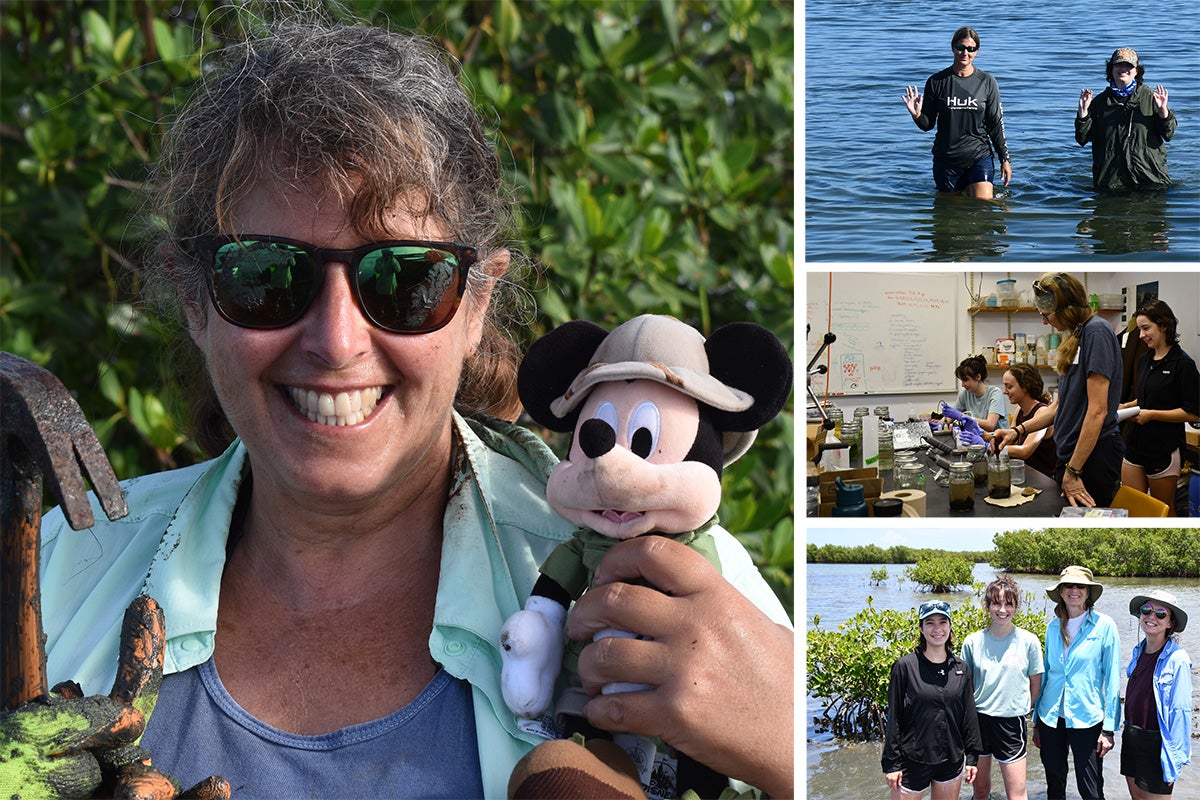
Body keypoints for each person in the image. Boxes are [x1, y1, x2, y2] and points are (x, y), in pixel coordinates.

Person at [1, 20, 794, 800]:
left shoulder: (674, 590)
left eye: (405, 280)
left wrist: (796, 747)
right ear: (194, 298)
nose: (337, 341)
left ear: (478, 302)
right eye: (266, 276)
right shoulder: (50, 572)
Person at [992, 272, 1124, 508]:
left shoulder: (1096, 332)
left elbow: (1097, 411)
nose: (1044, 322)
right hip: (1073, 456)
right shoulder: (1075, 338)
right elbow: (1060, 406)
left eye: (1047, 315)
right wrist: (1019, 430)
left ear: (1067, 310)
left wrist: (1074, 470)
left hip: (1091, 457)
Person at [1033, 566, 1122, 800]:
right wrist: (1036, 723)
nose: (1074, 590)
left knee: (1090, 788)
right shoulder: (1052, 627)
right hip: (1050, 717)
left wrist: (1109, 729)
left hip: (1087, 717)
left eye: (1080, 586)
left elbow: (1113, 679)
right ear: (1061, 592)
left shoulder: (1105, 626)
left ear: (1088, 592)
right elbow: (1047, 674)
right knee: (1054, 781)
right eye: (1068, 586)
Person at [882, 601, 983, 800]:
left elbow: (968, 716)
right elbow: (893, 717)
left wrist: (972, 758)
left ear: (950, 625)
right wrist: (891, 764)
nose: (937, 629)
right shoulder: (905, 666)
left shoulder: (960, 667)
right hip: (912, 759)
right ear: (921, 628)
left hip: (951, 759)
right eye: (930, 622)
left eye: (943, 622)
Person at [902, 26, 1012, 200]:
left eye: (970, 49)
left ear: (977, 51)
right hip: (946, 160)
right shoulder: (936, 81)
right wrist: (916, 115)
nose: (965, 53)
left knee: (982, 204)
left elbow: (995, 124)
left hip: (979, 155)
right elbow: (927, 125)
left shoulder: (987, 81)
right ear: (953, 47)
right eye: (961, 47)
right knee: (953, 211)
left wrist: (1004, 159)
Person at [961, 577, 1044, 800]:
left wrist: (1023, 708)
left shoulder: (1029, 641)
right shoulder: (972, 642)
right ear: (987, 606)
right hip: (978, 722)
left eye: (1009, 603)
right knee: (980, 791)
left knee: (1016, 795)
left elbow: (1036, 685)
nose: (1002, 610)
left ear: (1016, 607)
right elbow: (966, 686)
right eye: (996, 603)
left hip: (1011, 722)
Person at [1118, 301, 1200, 516]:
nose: (1142, 335)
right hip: (1135, 443)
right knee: (1132, 507)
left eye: (1146, 328)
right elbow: (1145, 398)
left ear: (1164, 326)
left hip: (1163, 447)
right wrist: (1126, 406)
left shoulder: (1183, 364)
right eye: (1140, 329)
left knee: (1161, 511)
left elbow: (1192, 412)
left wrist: (1152, 415)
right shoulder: (1145, 360)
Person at [1122, 590, 1192, 799]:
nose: (1151, 617)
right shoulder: (1138, 651)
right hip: (1132, 737)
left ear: (1171, 623)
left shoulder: (1177, 659)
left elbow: (1180, 711)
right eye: (1147, 610)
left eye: (1161, 613)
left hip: (1157, 743)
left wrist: (1174, 760)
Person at [1076, 48, 1177, 192]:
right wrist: (1083, 114)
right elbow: (1082, 139)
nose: (1123, 69)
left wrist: (1163, 112)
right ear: (1111, 69)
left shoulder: (1151, 97)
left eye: (1129, 66)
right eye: (1118, 65)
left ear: (1137, 71)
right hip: (1111, 182)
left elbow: (1169, 134)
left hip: (1150, 179)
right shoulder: (1098, 103)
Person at [1000, 362, 1058, 478]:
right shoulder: (1019, 410)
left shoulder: (1041, 412)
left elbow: (1024, 451)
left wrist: (989, 447)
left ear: (1026, 386)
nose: (1004, 391)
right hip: (1028, 474)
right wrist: (987, 437)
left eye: (1009, 387)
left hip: (1045, 479)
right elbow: (1012, 441)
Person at [950, 354, 1010, 433]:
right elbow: (950, 417)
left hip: (997, 441)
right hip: (979, 440)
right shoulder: (966, 394)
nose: (962, 385)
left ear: (978, 377)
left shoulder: (995, 393)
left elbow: (990, 425)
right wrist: (940, 422)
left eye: (965, 380)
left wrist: (963, 417)